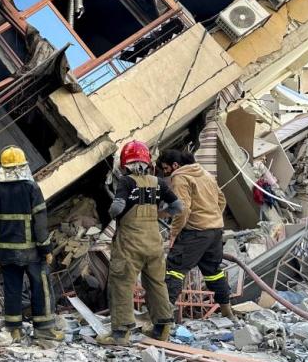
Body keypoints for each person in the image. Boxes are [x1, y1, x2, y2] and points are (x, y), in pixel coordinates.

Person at [97, 141, 183, 345]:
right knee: (156, 284)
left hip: (130, 245)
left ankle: (120, 334)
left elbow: (117, 208)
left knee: (121, 285)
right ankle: (162, 329)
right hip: (154, 243)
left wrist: (112, 212)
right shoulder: (158, 182)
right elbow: (178, 206)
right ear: (147, 162)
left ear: (126, 164)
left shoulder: (126, 182)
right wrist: (161, 213)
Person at [0, 145, 64, 343]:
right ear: (23, 166)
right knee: (41, 286)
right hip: (31, 252)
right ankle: (44, 330)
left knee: (12, 288)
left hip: (5, 252)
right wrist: (46, 248)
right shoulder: (31, 187)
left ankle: (14, 329)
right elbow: (40, 222)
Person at [157, 150, 235, 319]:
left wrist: (173, 233)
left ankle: (162, 319)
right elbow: (221, 200)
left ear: (175, 165)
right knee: (213, 272)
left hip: (195, 233)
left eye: (165, 168)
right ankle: (227, 311)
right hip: (215, 232)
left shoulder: (180, 177)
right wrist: (212, 218)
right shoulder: (205, 174)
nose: (165, 173)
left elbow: (182, 209)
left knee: (174, 270)